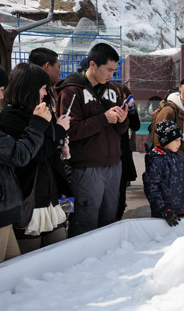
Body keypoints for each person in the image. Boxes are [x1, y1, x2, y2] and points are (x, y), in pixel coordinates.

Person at [56, 43, 129, 237]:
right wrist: (103, 119)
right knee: (84, 222)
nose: (111, 75)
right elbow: (69, 131)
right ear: (93, 65)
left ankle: (107, 263)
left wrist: (123, 120)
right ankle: (82, 265)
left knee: (109, 219)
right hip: (86, 168)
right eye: (109, 70)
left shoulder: (114, 89)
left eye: (114, 70)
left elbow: (120, 130)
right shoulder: (71, 90)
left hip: (114, 165)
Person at [0, 63, 72, 254]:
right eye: (41, 88)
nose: (45, 93)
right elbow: (35, 154)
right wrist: (58, 130)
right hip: (29, 197)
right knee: (28, 257)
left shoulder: (40, 111)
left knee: (59, 250)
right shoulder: (10, 117)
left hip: (51, 194)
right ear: (29, 88)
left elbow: (47, 147)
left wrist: (59, 137)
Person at [0, 62, 51, 266]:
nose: (1, 96)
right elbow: (20, 155)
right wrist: (38, 125)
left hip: (4, 211)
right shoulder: (9, 118)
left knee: (13, 269)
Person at [143, 120, 184, 226]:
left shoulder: (179, 156)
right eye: (176, 140)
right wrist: (163, 209)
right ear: (166, 140)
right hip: (164, 214)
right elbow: (151, 187)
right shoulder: (156, 159)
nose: (179, 144)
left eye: (180, 140)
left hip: (181, 208)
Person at [151, 72, 184, 169]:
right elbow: (160, 142)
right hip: (169, 168)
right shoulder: (169, 111)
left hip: (183, 167)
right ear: (180, 87)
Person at [115, 83, 141, 221]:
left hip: (124, 154)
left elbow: (136, 125)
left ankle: (119, 213)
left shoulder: (127, 108)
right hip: (110, 155)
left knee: (121, 190)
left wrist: (131, 109)